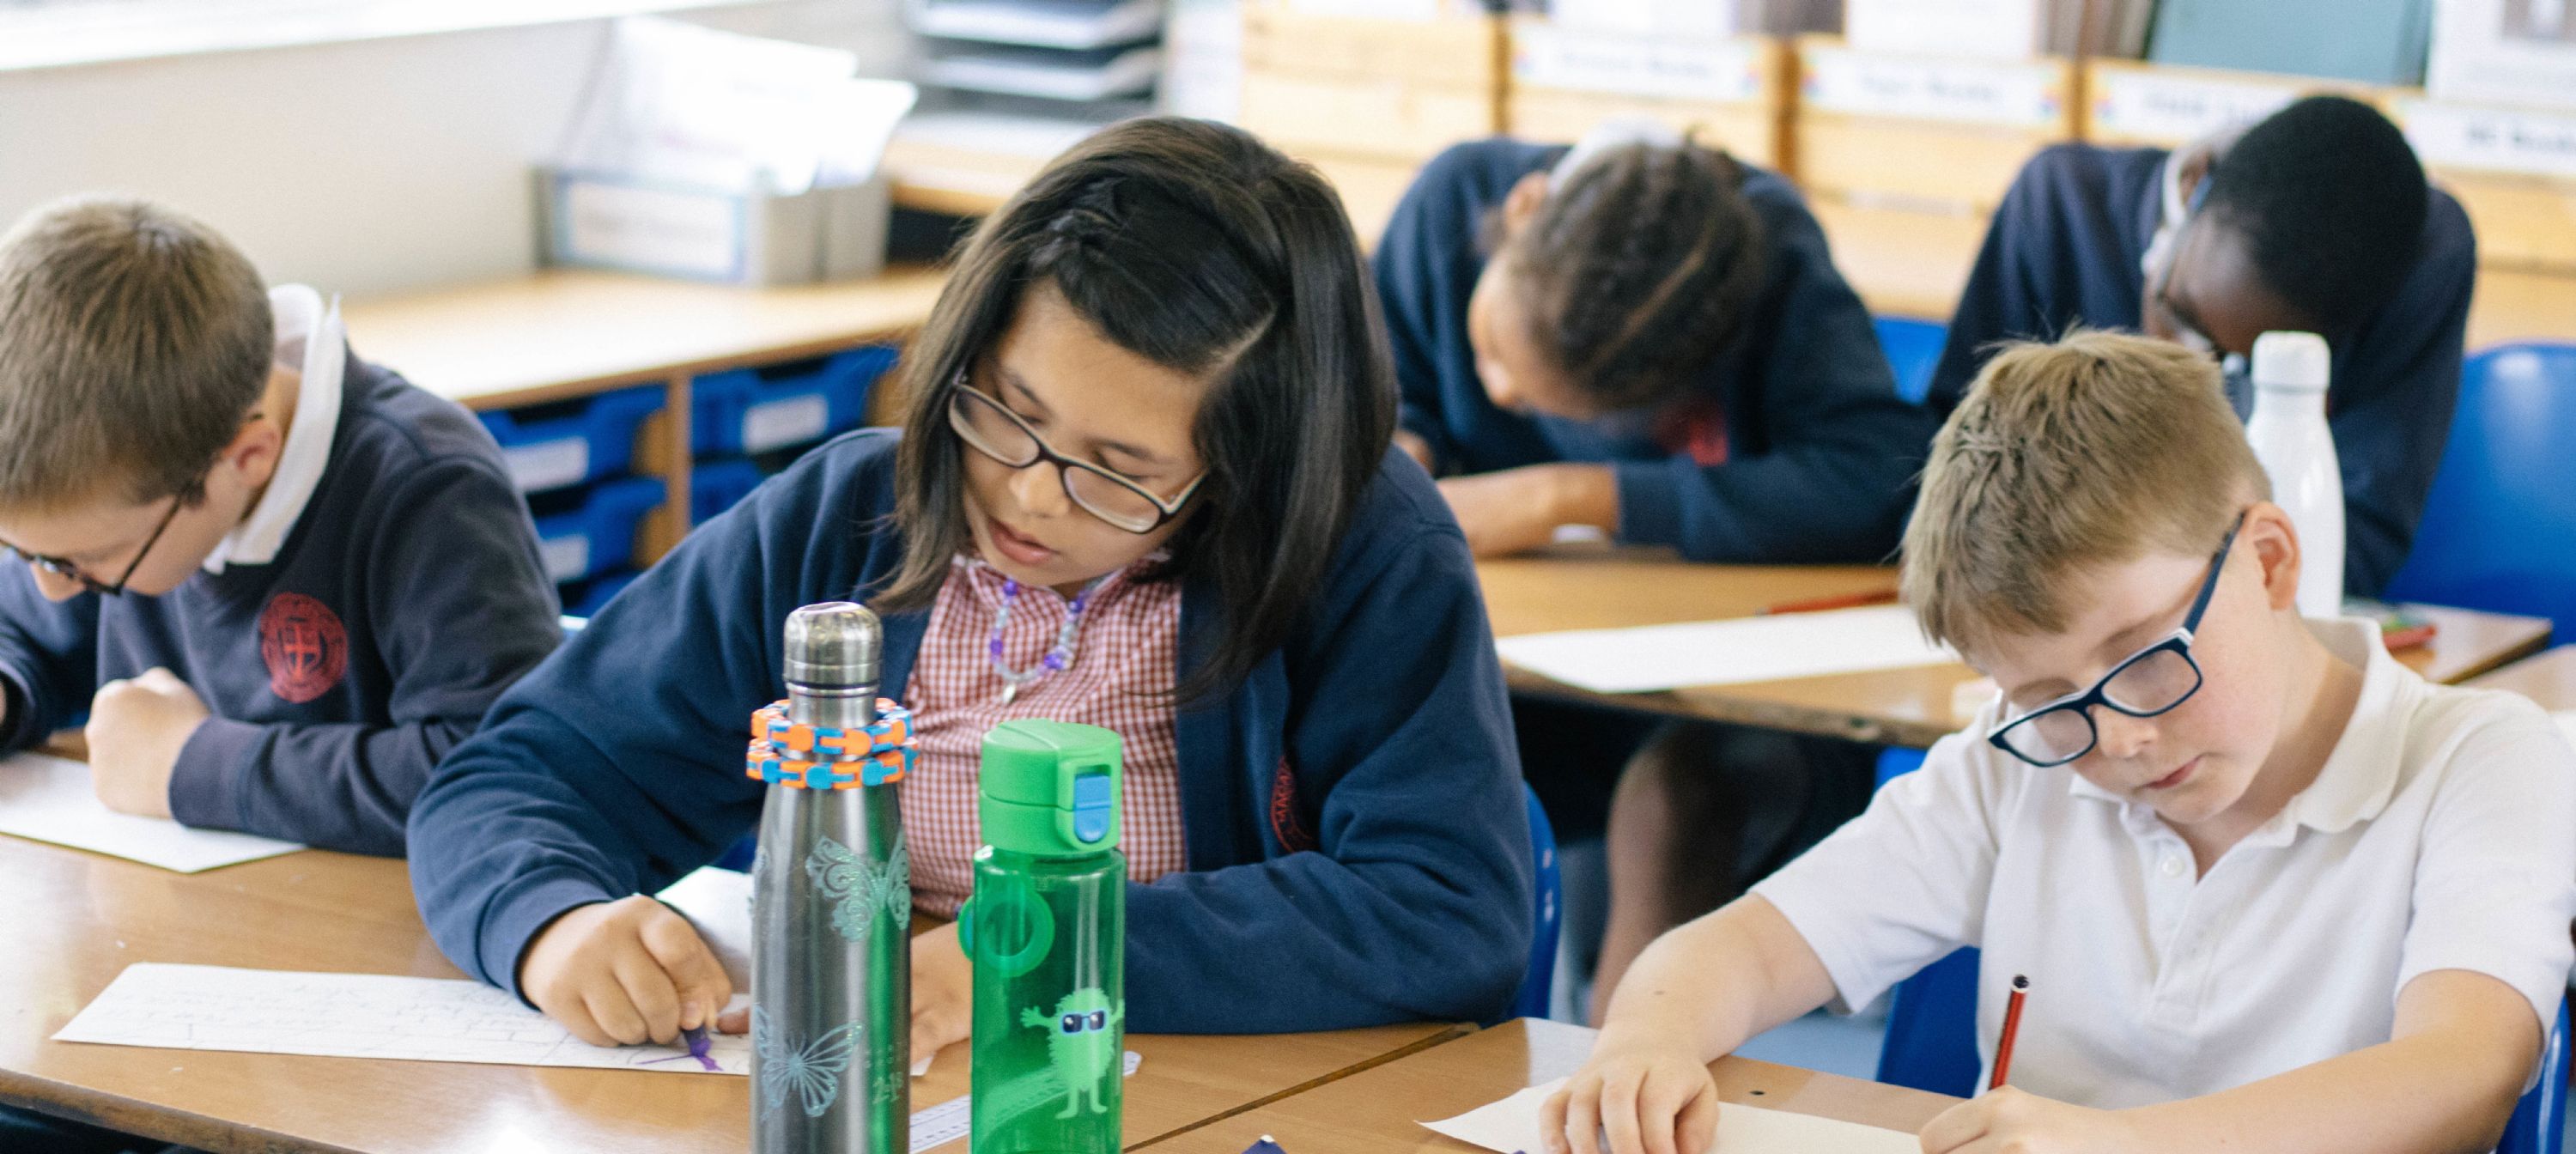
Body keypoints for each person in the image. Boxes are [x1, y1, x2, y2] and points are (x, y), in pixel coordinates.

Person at [406, 118, 1536, 1060]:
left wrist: (1033, 948)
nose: (1032, 498)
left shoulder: (1361, 549)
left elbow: (1447, 910)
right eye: (1008, 411)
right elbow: (520, 775)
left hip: (1168, 1095)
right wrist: (549, 924)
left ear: (1245, 468)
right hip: (875, 1079)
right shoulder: (850, 512)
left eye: (1117, 472)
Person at [1547, 331, 2574, 1154]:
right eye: (2052, 702)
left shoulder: (2485, 763)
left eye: (2143, 660)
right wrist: (1647, 1042)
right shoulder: (2013, 765)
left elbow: (2462, 1075)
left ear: (2267, 564)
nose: (2120, 740)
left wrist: (2128, 1144)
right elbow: (1749, 944)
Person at [1929, 95, 2472, 595]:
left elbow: (2355, 544)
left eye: (2244, 364)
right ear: (2192, 185)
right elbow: (1951, 487)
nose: (2189, 365)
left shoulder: (2422, 259)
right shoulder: (2059, 205)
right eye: (2178, 310)